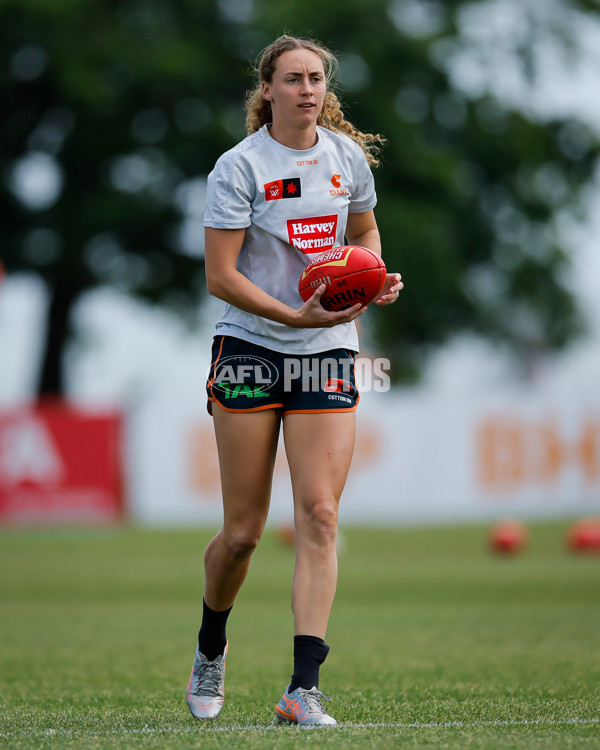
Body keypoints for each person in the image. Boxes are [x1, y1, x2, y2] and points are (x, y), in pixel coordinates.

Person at [185, 33, 403, 727]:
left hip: (329, 349)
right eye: (293, 79)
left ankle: (302, 688)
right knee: (244, 533)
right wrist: (292, 317)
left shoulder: (346, 159)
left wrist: (370, 281)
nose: (307, 89)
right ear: (268, 89)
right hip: (251, 347)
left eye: (316, 78)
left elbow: (364, 237)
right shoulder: (239, 167)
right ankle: (211, 645)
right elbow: (221, 276)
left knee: (320, 513)